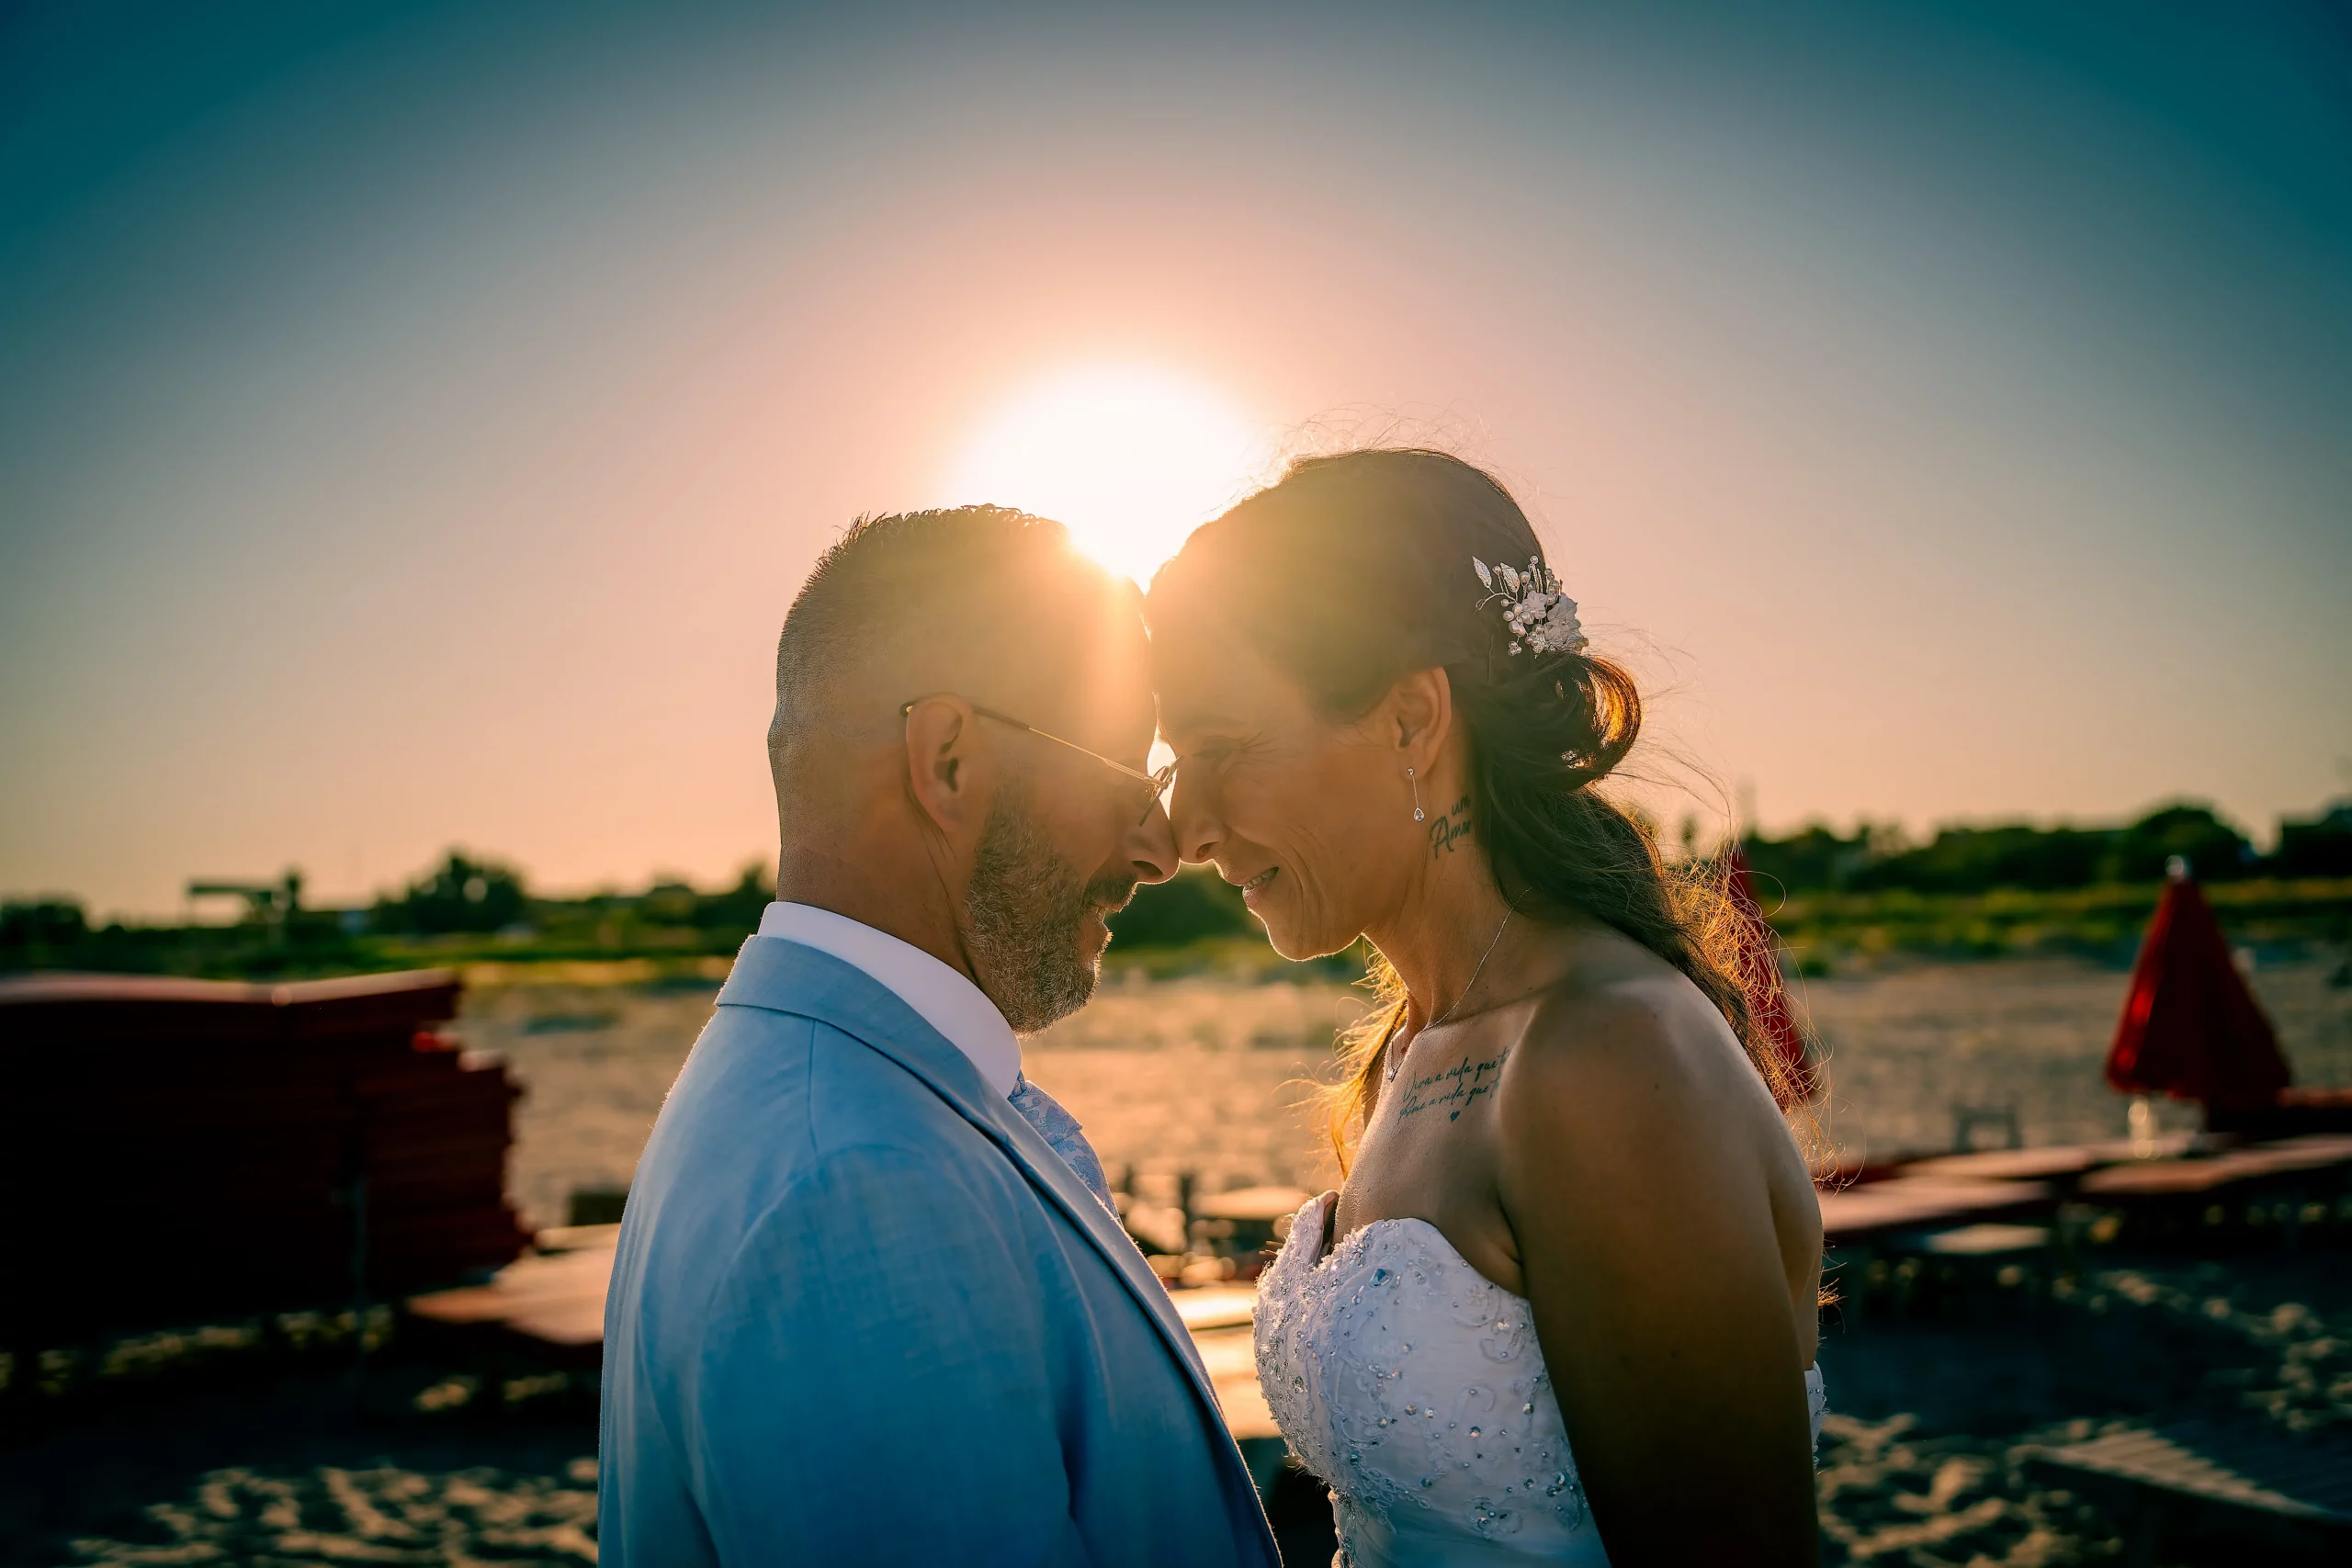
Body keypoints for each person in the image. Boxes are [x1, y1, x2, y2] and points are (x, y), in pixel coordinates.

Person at [1148, 451, 1826, 1566]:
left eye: (1223, 750)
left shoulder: (1605, 1058)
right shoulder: (1415, 1044)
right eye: (1178, 762)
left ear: (1414, 719)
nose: (1186, 829)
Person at [599, 506, 1281, 1567]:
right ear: (949, 760)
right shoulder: (855, 1187)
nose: (1158, 846)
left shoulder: (804, 1086)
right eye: (1129, 776)